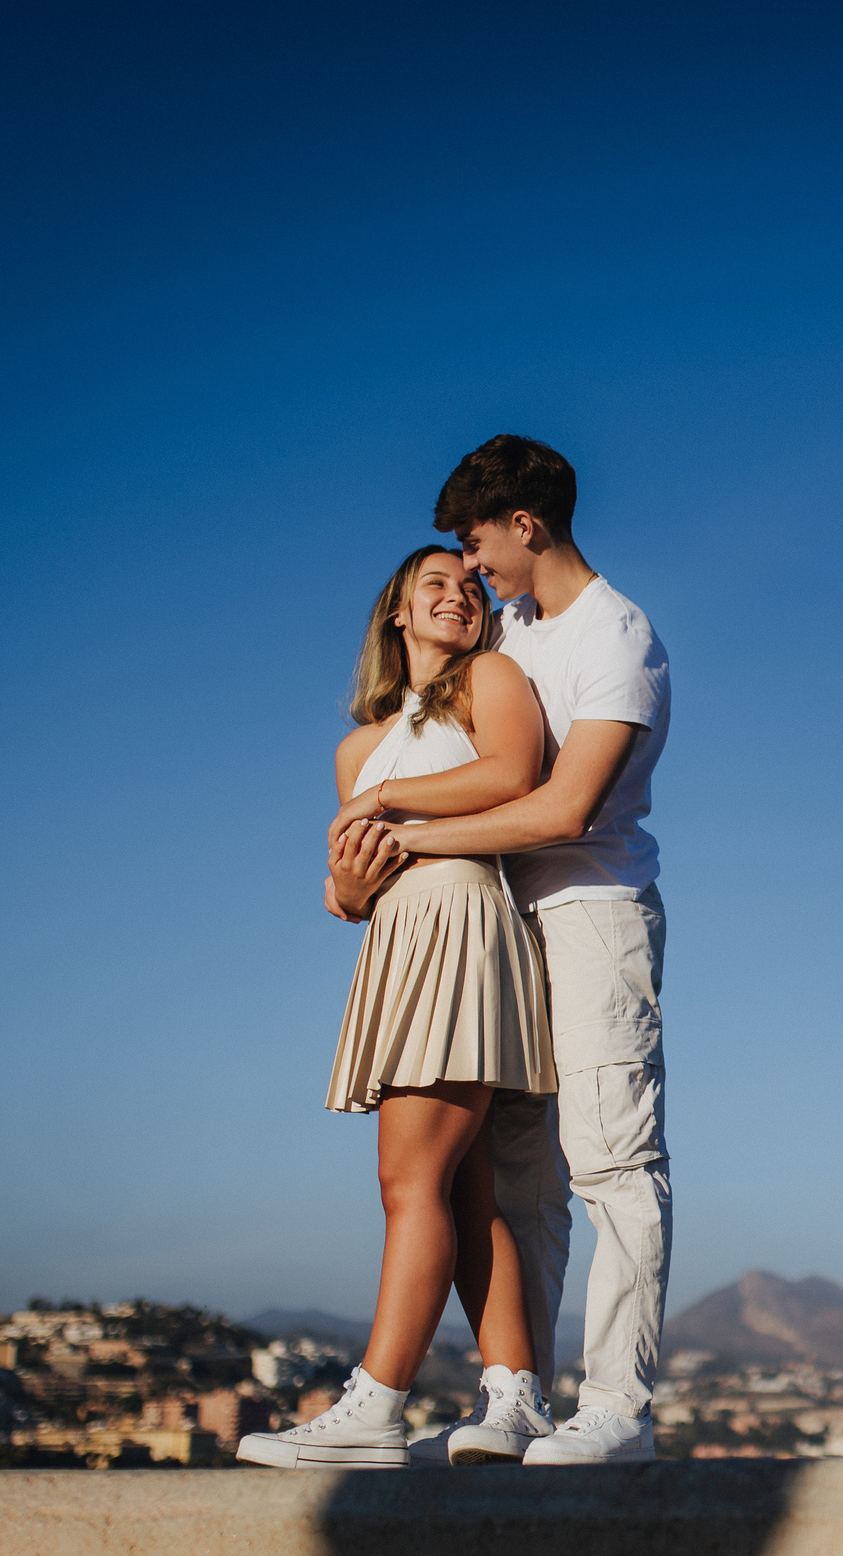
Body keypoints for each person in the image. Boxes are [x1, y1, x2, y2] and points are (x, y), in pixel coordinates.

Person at [365, 435, 674, 1466]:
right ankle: (520, 1400)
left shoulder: (616, 638)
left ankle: (620, 1406)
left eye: (476, 541)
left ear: (524, 525)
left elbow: (566, 805)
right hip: (502, 933)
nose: (473, 563)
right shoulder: (515, 632)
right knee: (516, 1181)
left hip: (590, 911)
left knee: (612, 1157)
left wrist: (408, 833)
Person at [236, 547, 557, 1469]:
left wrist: (384, 797)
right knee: (461, 1185)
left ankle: (376, 1403)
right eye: (435, 587)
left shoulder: (489, 679)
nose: (459, 596)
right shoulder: (354, 746)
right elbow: (357, 882)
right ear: (397, 616)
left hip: (463, 920)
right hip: (401, 939)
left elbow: (511, 776)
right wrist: (342, 883)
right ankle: (514, 1394)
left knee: (406, 1180)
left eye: (469, 586)